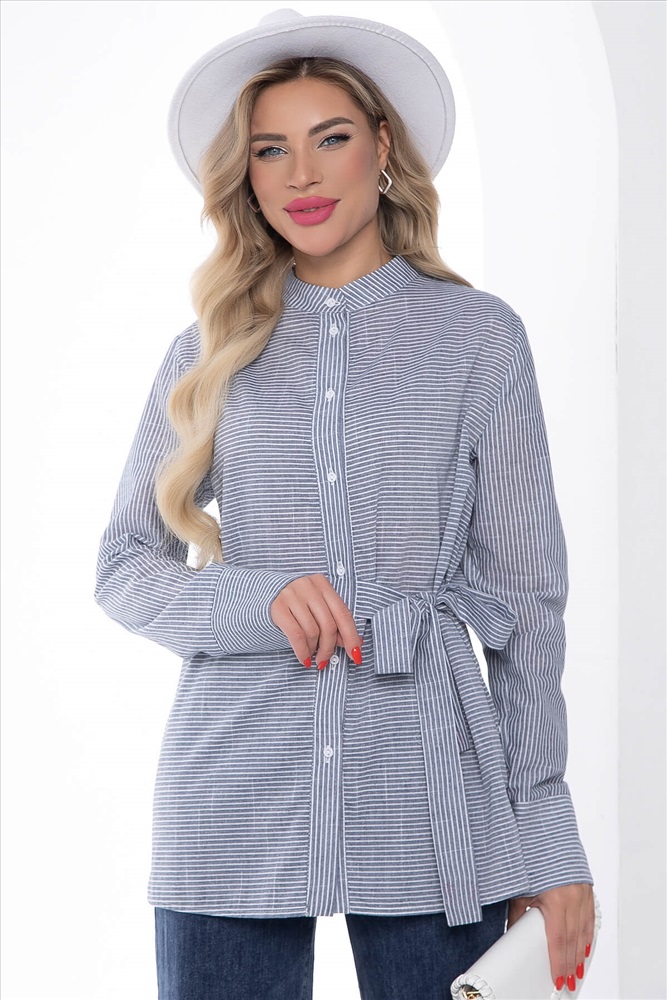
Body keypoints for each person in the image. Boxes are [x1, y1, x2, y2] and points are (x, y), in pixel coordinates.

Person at [95, 9, 595, 999]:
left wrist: (547, 837)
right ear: (246, 177)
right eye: (269, 150)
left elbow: (526, 607)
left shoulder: (477, 339)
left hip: (428, 793)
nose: (302, 175)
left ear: (383, 148)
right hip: (230, 795)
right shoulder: (205, 352)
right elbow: (122, 567)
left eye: (329, 138)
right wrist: (257, 597)